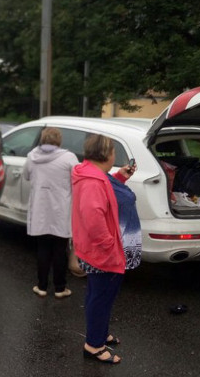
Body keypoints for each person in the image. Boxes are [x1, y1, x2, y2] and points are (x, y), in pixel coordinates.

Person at [71, 134, 137, 365]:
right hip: (102, 251)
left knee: (98, 294)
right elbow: (92, 217)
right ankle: (93, 345)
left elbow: (105, 191)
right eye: (113, 152)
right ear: (106, 154)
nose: (114, 156)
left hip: (95, 249)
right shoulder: (93, 181)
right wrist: (109, 244)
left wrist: (120, 176)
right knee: (101, 297)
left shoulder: (93, 174)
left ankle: (100, 332)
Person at [23, 127, 79, 299]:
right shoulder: (69, 158)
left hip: (40, 210)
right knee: (60, 250)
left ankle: (41, 287)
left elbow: (26, 176)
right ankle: (60, 289)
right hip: (61, 211)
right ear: (59, 141)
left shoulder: (32, 157)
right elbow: (77, 178)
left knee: (43, 249)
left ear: (42, 139)